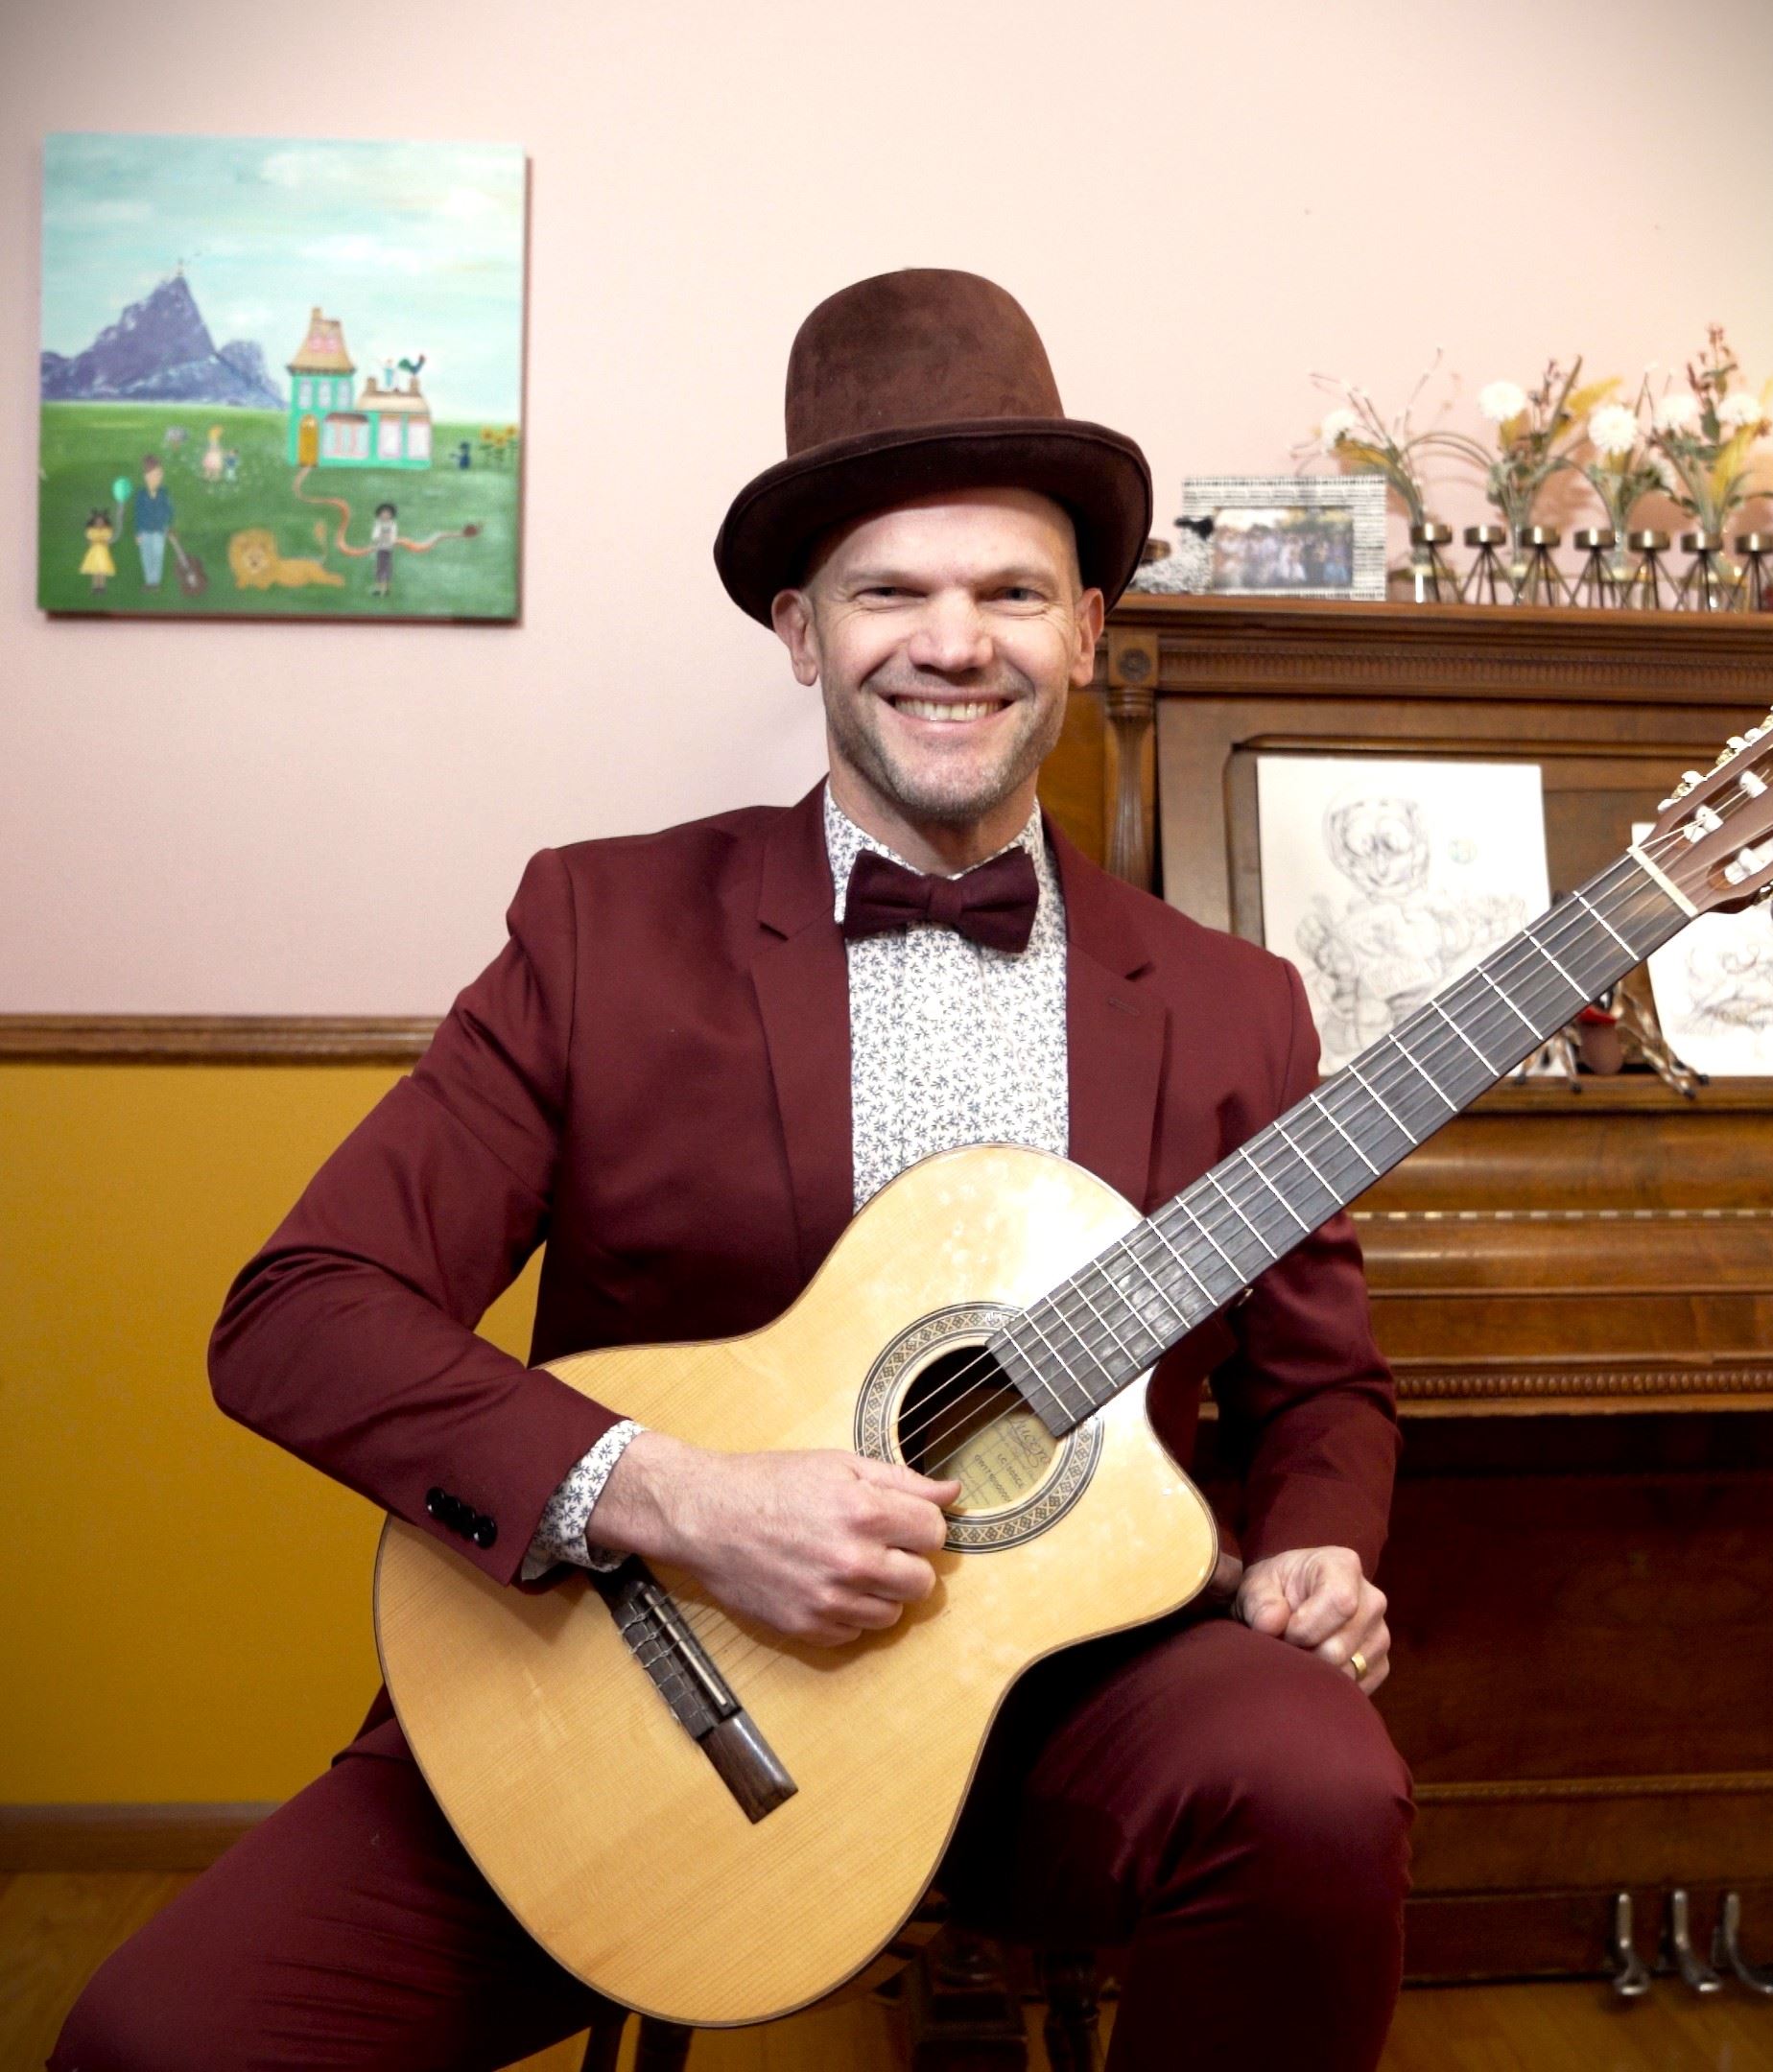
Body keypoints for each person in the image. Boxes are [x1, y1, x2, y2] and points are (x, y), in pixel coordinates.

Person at [53, 270, 1410, 2072]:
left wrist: (1319, 1542)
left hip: (1081, 1707)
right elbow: (300, 1314)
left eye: (1010, 591)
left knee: (1319, 1782)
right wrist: (678, 1502)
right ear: (796, 632)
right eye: (889, 593)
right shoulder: (598, 929)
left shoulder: (1237, 1005)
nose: (954, 642)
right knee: (156, 2043)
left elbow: (1322, 1386)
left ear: (1086, 632)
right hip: (638, 1694)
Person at [130, 455, 174, 591]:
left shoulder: (164, 493)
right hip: (145, 531)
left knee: (158, 555)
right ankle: (149, 581)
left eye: (159, 475)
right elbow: (138, 514)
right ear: (146, 477)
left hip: (159, 531)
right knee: (146, 556)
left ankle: (155, 582)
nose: (157, 478)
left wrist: (169, 526)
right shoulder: (141, 495)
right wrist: (138, 532)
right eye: (153, 476)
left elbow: (169, 511)